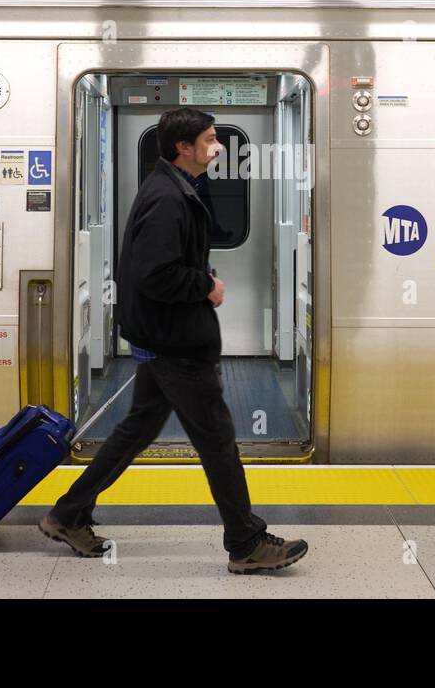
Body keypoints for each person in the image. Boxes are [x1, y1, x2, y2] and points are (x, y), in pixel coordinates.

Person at [39, 107, 309, 574]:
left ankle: (66, 514)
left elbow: (164, 263)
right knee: (219, 440)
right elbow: (154, 274)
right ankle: (245, 544)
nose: (218, 146)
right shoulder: (168, 197)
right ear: (184, 147)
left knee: (136, 431)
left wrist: (199, 276)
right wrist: (206, 286)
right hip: (177, 344)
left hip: (166, 338)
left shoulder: (175, 187)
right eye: (209, 139)